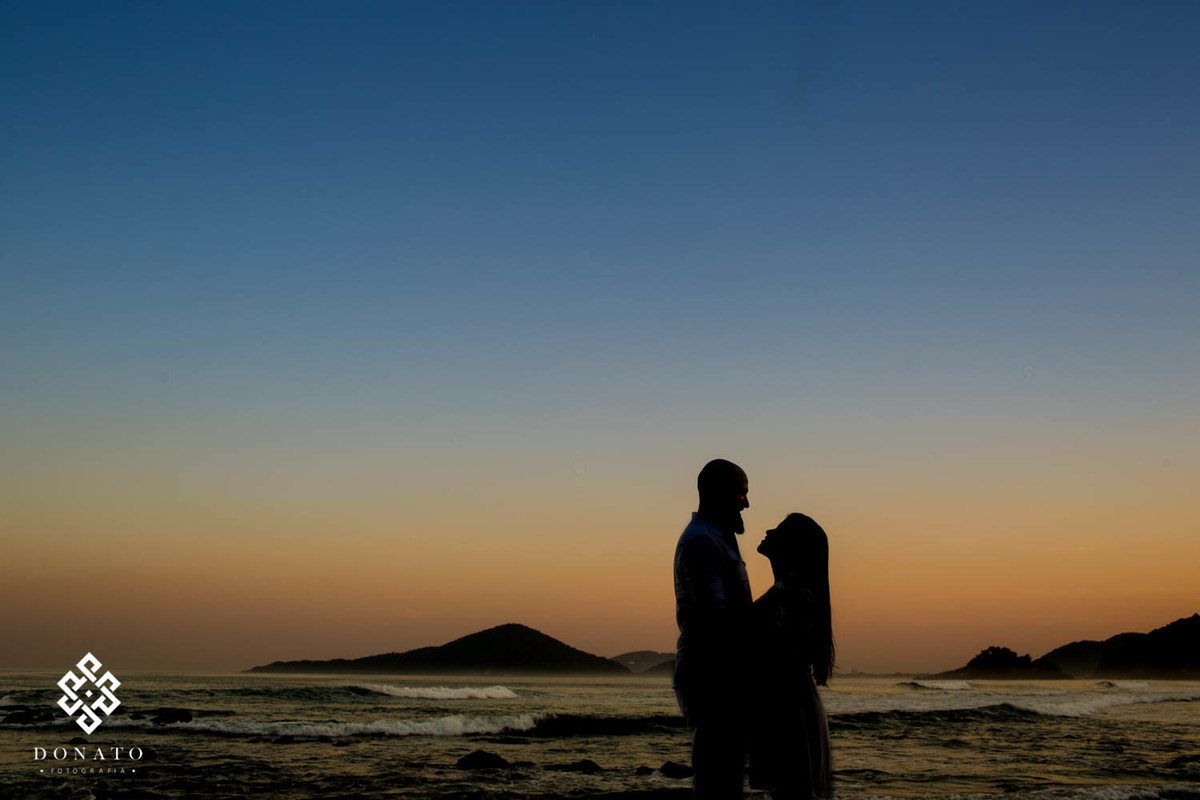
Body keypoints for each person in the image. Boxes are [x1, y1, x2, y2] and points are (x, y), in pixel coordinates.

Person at [673, 459, 754, 800]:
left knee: (725, 778)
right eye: (742, 493)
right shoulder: (702, 542)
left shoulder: (715, 539)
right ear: (719, 493)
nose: (747, 503)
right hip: (713, 678)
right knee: (717, 783)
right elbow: (715, 622)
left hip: (718, 677)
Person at [749, 513, 834, 800]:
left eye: (780, 529)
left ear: (793, 547)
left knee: (791, 792)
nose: (769, 530)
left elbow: (770, 652)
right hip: (791, 700)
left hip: (786, 706)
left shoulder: (790, 591)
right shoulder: (792, 589)